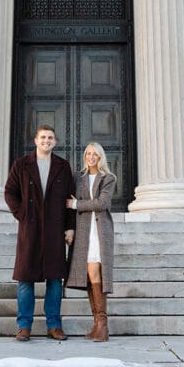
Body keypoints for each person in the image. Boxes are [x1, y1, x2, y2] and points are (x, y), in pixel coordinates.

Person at [4, 125, 75, 341]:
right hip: (30, 228)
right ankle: (24, 326)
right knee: (26, 279)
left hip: (55, 229)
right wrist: (22, 214)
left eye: (50, 138)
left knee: (55, 279)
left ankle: (54, 325)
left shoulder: (62, 166)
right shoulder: (22, 165)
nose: (46, 141)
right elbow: (10, 192)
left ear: (55, 141)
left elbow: (70, 199)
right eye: (43, 137)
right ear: (35, 140)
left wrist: (70, 227)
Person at [66, 142, 116, 342]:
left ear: (101, 157)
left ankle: (103, 325)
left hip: (99, 230)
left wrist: (77, 204)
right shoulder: (78, 177)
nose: (91, 157)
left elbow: (102, 204)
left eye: (95, 154)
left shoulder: (108, 178)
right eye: (88, 153)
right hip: (83, 229)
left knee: (95, 270)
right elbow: (67, 200)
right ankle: (97, 324)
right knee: (88, 274)